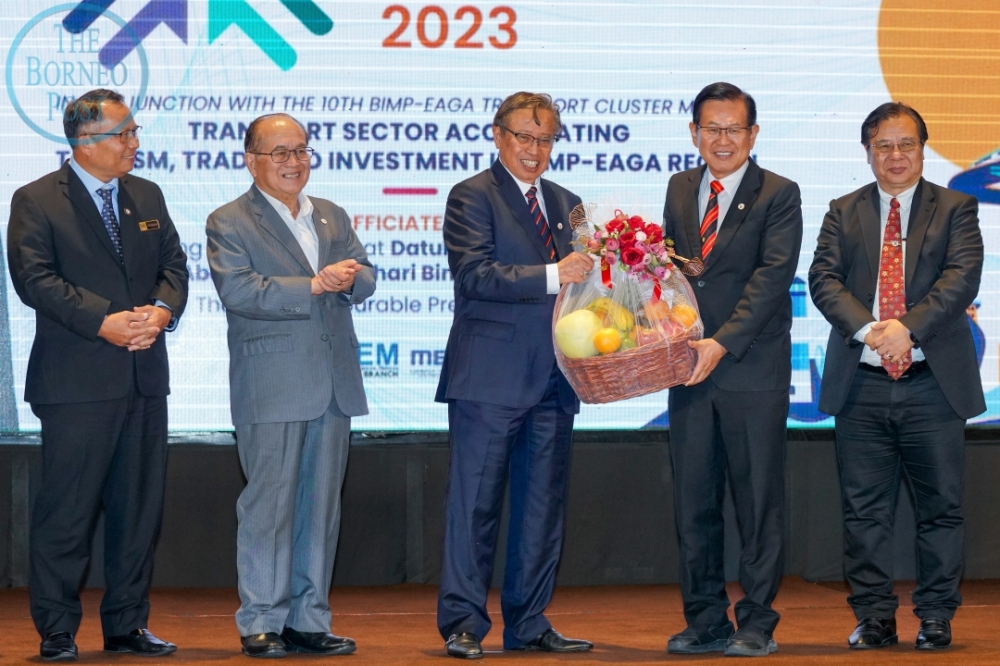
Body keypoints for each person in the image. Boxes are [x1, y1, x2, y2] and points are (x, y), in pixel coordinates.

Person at [6, 88, 188, 660]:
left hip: (144, 378)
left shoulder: (147, 194)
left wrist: (162, 311)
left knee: (137, 514)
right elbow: (34, 279)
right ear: (85, 142)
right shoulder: (37, 200)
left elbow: (174, 265)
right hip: (76, 384)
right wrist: (102, 321)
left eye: (134, 131)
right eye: (124, 133)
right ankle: (57, 629)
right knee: (68, 513)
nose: (135, 142)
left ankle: (127, 625)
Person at [809, 102, 985, 650]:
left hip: (934, 384)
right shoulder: (843, 211)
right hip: (860, 385)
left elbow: (961, 277)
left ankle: (936, 615)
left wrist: (907, 329)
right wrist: (871, 331)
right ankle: (874, 616)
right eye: (883, 145)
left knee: (941, 509)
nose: (895, 155)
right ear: (868, 153)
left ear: (923, 149)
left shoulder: (956, 207)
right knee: (864, 511)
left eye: (906, 144)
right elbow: (824, 280)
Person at [206, 113, 375, 658]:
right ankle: (261, 619)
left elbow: (366, 275)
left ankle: (308, 618)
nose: (293, 161)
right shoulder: (229, 220)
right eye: (279, 152)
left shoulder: (330, 214)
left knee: (320, 509)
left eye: (300, 150)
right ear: (251, 160)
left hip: (333, 383)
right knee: (269, 507)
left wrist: (350, 281)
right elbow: (240, 291)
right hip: (272, 382)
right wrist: (315, 284)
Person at [434, 92, 595, 659]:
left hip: (555, 378)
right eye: (524, 136)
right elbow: (474, 274)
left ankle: (529, 623)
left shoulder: (569, 203)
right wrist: (555, 274)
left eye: (546, 139)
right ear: (498, 135)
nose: (535, 149)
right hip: (490, 378)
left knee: (541, 510)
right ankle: (463, 623)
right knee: (474, 507)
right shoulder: (472, 195)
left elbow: (586, 286)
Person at [661, 82, 803, 657]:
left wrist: (720, 343)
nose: (723, 140)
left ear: (753, 134)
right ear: (693, 133)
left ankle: (756, 621)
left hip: (750, 367)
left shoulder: (780, 193)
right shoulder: (679, 187)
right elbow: (669, 273)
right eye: (711, 129)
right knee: (693, 501)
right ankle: (704, 619)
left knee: (757, 502)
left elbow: (772, 280)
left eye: (734, 129)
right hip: (688, 369)